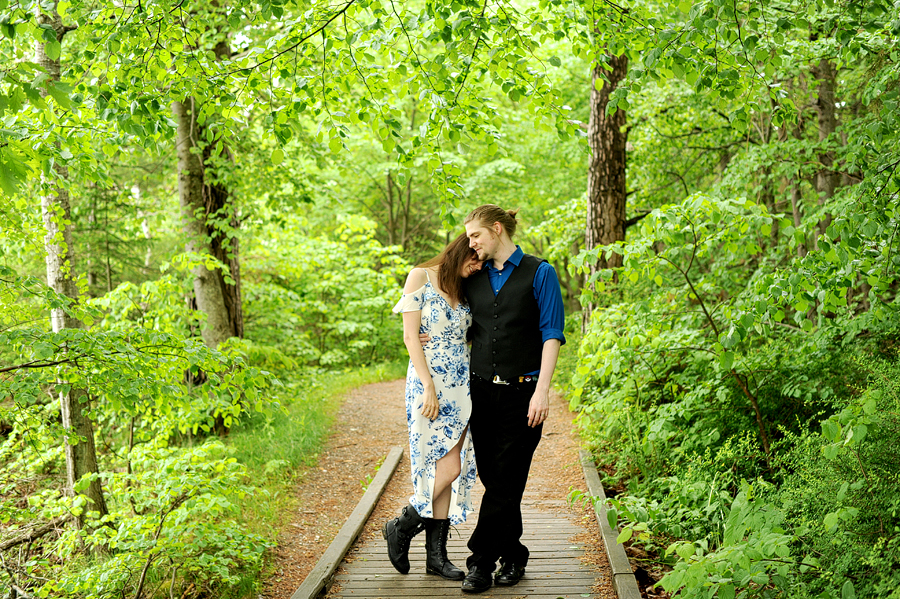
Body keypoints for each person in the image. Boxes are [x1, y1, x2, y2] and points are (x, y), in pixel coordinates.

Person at [459, 205, 566, 593]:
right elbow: (451, 316)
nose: (471, 243)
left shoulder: (541, 273)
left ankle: (480, 562)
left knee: (505, 479)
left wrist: (542, 391)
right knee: (498, 480)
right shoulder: (474, 276)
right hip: (481, 392)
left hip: (524, 392)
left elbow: (551, 333)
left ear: (498, 230)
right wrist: (423, 334)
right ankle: (513, 554)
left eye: (475, 236)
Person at [382, 233, 483, 581]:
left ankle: (434, 557)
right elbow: (411, 336)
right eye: (474, 260)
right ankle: (402, 526)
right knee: (439, 465)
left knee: (450, 468)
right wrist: (428, 386)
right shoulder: (420, 276)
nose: (477, 267)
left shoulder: (465, 288)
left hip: (460, 386)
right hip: (429, 385)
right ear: (460, 252)